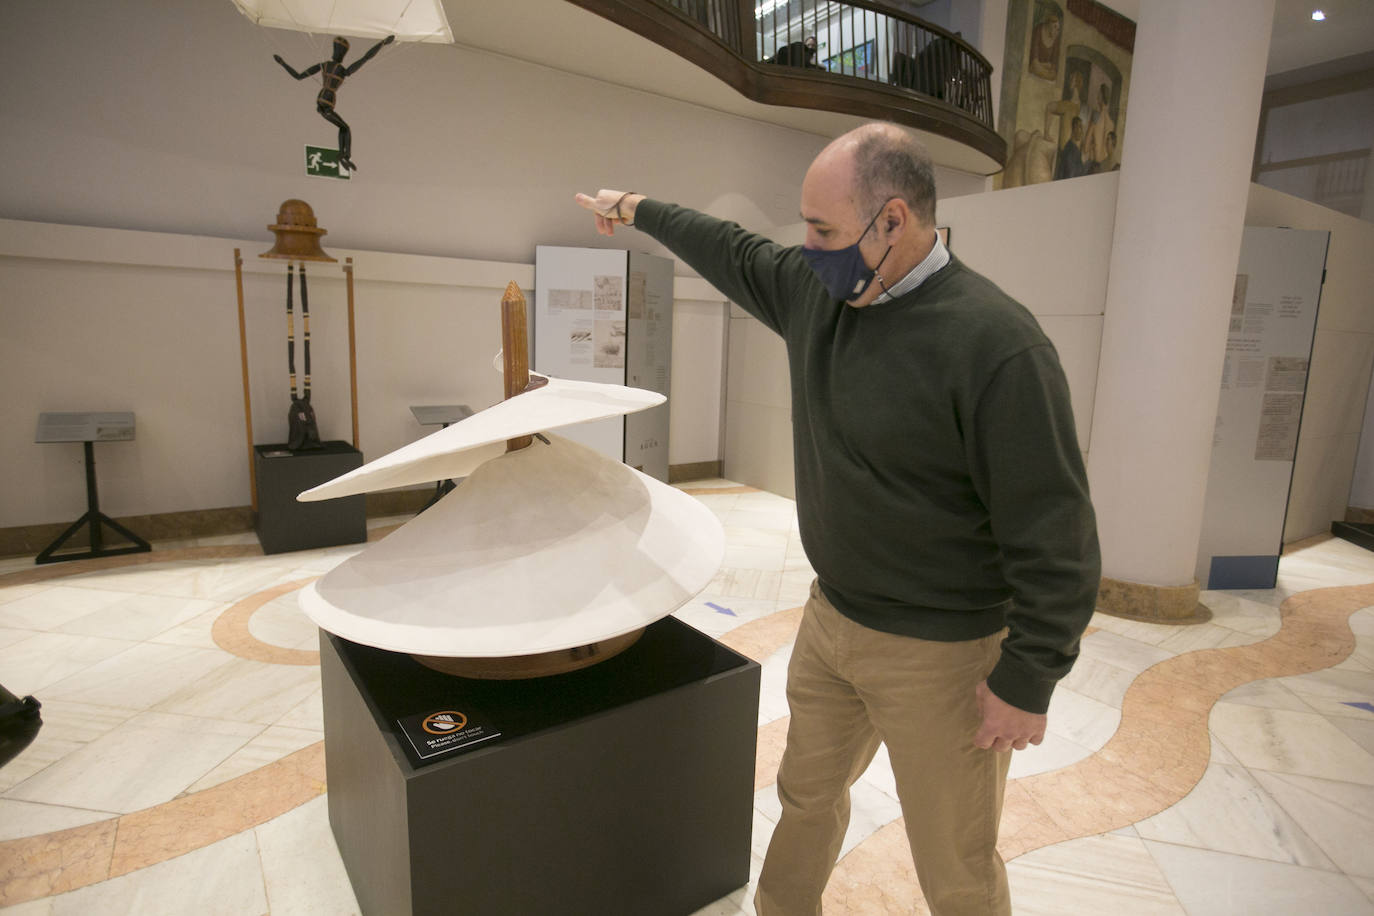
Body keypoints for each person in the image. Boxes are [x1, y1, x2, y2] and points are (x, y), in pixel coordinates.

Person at [575, 121, 1099, 915]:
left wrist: (1029, 677)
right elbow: (728, 247)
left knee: (955, 859)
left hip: (943, 655)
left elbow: (1056, 535)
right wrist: (637, 207)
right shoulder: (819, 291)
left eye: (824, 230)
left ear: (894, 220)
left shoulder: (997, 345)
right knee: (806, 797)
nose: (809, 249)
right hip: (832, 625)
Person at [274, 34, 394, 172]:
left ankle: (343, 155)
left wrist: (283, 63)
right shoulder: (342, 71)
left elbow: (298, 76)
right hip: (328, 101)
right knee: (345, 128)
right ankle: (345, 155)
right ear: (342, 55)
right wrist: (382, 43)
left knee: (342, 127)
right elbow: (365, 58)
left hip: (321, 100)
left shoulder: (324, 65)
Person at [1054, 116, 1086, 181]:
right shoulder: (1071, 150)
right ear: (1075, 128)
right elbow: (1071, 175)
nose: (1082, 131)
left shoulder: (1071, 147)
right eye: (1080, 127)